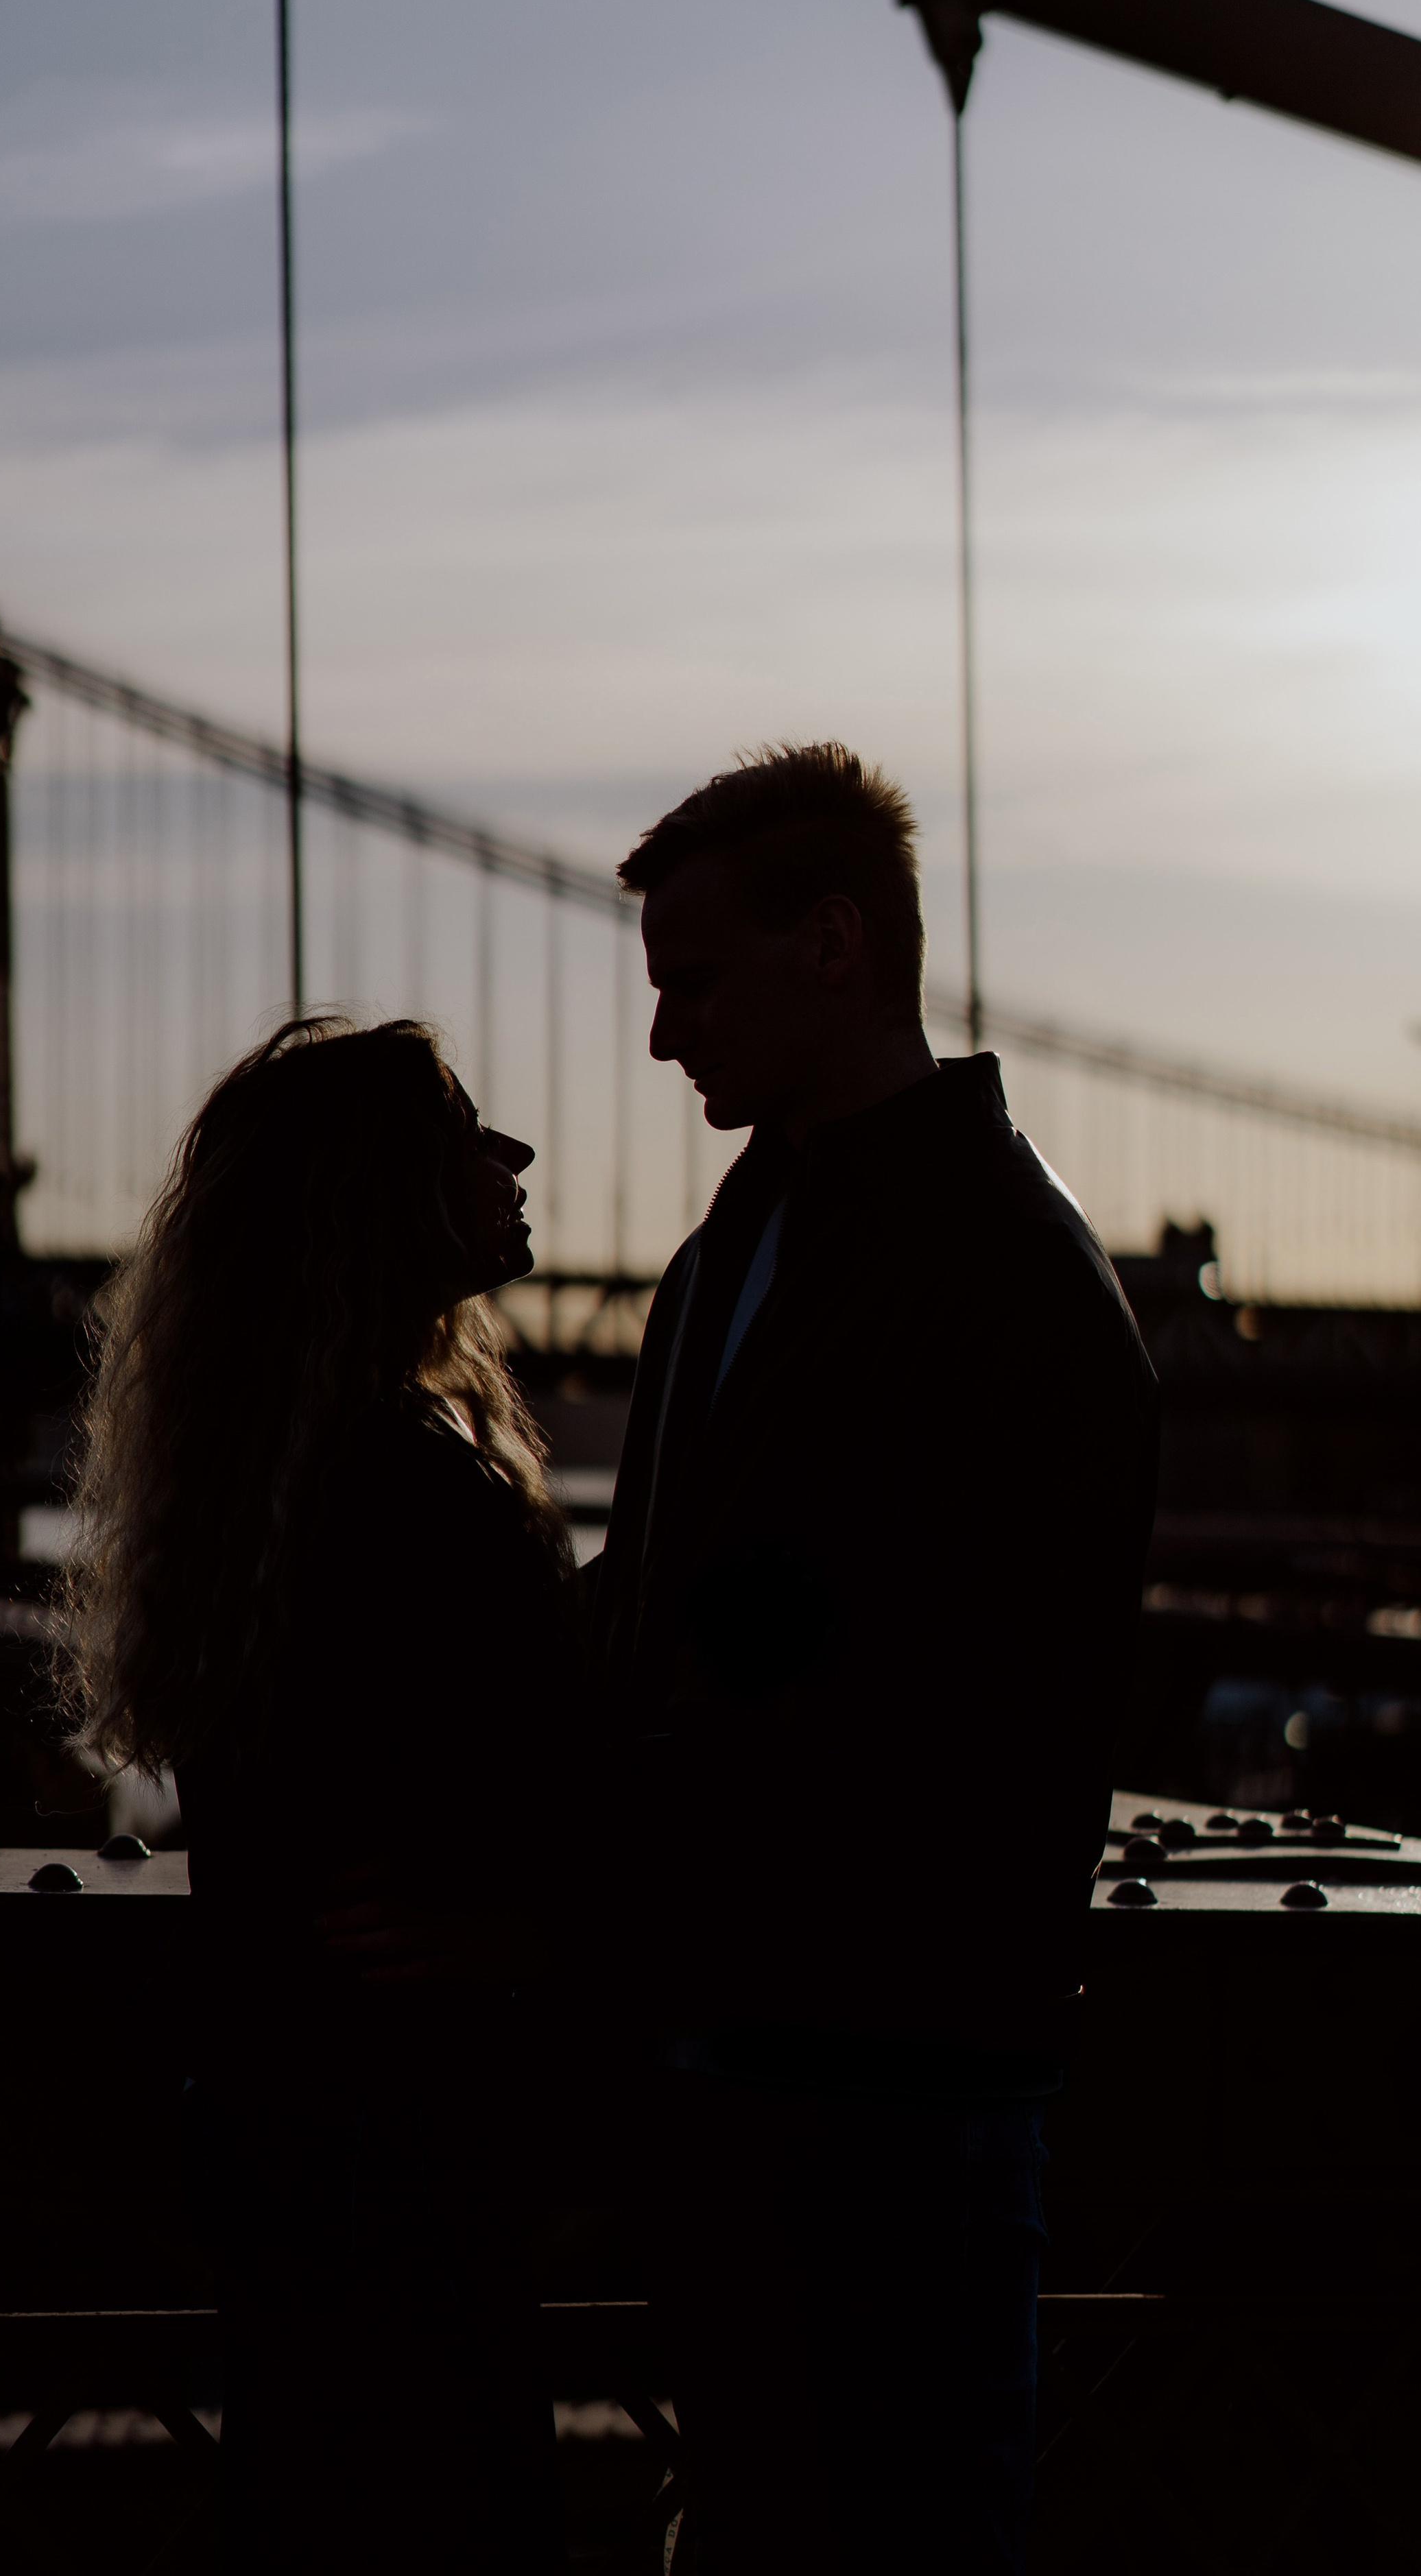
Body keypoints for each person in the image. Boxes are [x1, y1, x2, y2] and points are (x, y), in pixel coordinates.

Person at [593, 744, 1158, 2573]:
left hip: (901, 2101)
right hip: (747, 2078)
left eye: (693, 981)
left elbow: (890, 1693)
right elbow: (660, 1622)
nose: (663, 1035)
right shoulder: (730, 1251)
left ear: (832, 944)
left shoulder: (1011, 1272)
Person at [61, 1017, 577, 2574]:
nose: (513, 1157)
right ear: (378, 1194)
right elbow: (547, 1771)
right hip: (414, 2154)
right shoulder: (414, 1485)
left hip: (296, 2147)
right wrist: (548, 1931)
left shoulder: (280, 1485)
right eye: (467, 1132)